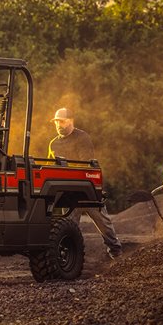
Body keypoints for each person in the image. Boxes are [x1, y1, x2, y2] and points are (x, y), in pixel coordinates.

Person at [48, 108, 123, 259]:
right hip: (68, 192)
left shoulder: (82, 138)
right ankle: (67, 257)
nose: (58, 125)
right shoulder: (53, 144)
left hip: (86, 188)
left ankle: (116, 251)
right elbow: (51, 167)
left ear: (71, 121)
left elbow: (85, 163)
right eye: (56, 122)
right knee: (68, 226)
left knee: (103, 222)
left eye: (61, 122)